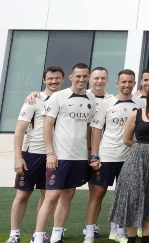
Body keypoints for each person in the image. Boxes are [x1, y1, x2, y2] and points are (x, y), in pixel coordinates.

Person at [33, 63, 94, 243]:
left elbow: (89, 128)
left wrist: (90, 153)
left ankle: (56, 235)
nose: (81, 79)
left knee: (69, 194)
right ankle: (38, 238)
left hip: (80, 157)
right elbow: (47, 126)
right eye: (78, 76)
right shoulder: (59, 97)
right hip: (59, 156)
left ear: (88, 78)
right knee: (51, 196)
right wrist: (50, 153)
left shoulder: (91, 98)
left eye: (85, 76)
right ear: (71, 77)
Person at [110, 81, 149, 243]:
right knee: (133, 197)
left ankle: (145, 239)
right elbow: (126, 140)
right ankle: (131, 239)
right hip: (136, 158)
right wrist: (142, 149)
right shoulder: (136, 114)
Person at [10, 66, 65, 243]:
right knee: (22, 195)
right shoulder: (33, 100)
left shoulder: (65, 99)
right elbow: (19, 131)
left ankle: (38, 234)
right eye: (50, 78)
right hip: (32, 154)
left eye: (57, 78)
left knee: (47, 195)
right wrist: (18, 158)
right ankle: (14, 235)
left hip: (55, 155)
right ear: (44, 80)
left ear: (63, 80)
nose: (54, 81)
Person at [87, 69, 140, 243]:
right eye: (123, 82)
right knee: (97, 193)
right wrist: (94, 156)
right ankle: (89, 232)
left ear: (134, 83)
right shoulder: (106, 103)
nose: (127, 85)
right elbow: (96, 131)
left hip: (129, 158)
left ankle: (117, 231)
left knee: (125, 195)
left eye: (130, 81)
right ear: (117, 83)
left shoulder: (140, 103)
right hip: (107, 155)